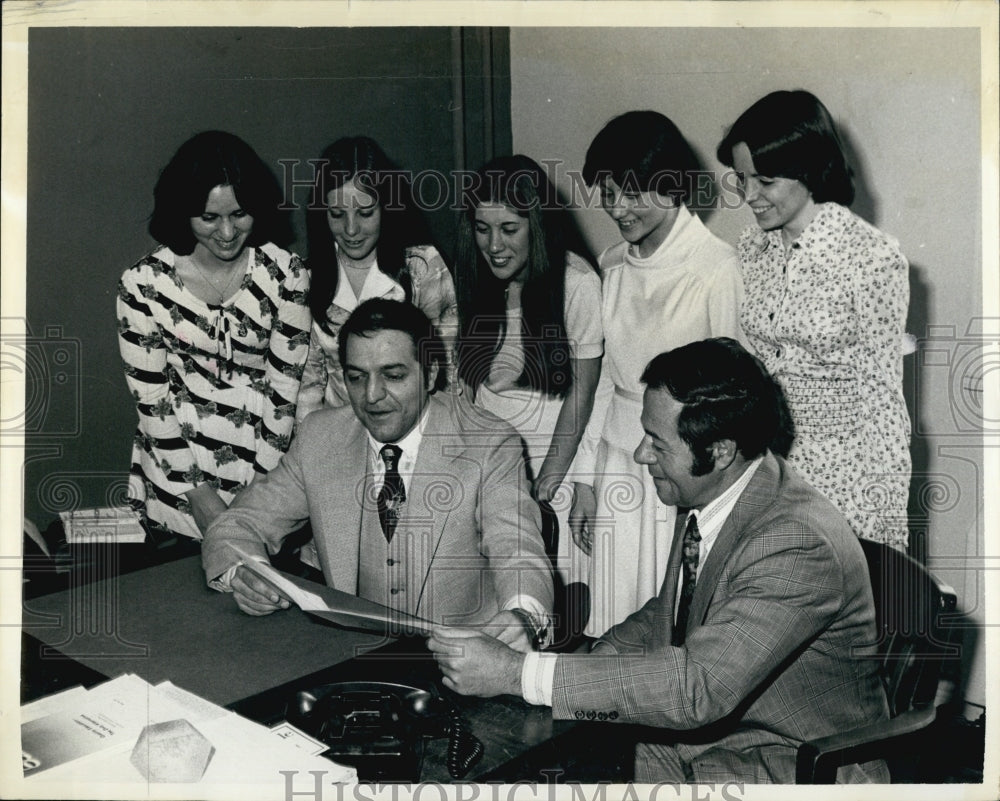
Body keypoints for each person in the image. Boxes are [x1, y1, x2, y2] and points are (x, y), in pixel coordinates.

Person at [429, 338, 890, 784]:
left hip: (782, 764)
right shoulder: (718, 491)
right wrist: (582, 663)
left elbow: (695, 689)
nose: (639, 454)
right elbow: (667, 612)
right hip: (703, 743)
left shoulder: (795, 544)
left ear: (720, 450)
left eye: (656, 441)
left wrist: (517, 673)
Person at [202, 299, 554, 645]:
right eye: (357, 377)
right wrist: (244, 574)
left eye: (393, 375)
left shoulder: (489, 442)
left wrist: (523, 616)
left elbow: (517, 548)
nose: (372, 396)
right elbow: (237, 525)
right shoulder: (320, 437)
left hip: (464, 659)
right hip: (350, 653)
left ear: (430, 374)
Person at [570, 111, 746, 635]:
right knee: (610, 620)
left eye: (633, 191)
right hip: (615, 464)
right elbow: (603, 380)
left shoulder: (717, 268)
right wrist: (584, 479)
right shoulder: (612, 264)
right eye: (608, 191)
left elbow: (734, 401)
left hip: (684, 472)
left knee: (670, 624)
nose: (618, 208)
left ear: (672, 186)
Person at [717, 89, 911, 550]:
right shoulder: (753, 248)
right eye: (742, 180)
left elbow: (882, 397)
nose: (749, 196)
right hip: (767, 468)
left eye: (764, 181)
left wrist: (887, 520)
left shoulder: (872, 257)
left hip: (844, 479)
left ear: (808, 170)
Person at [117, 130, 310, 542]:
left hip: (265, 470)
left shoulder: (287, 273)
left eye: (240, 214)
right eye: (209, 217)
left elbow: (283, 390)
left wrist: (259, 495)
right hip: (177, 479)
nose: (227, 232)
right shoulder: (141, 284)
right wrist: (200, 497)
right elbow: (151, 402)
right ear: (181, 211)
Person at [454, 154, 603, 581]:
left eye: (508, 229)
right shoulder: (477, 276)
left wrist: (550, 480)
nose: (493, 246)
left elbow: (584, 392)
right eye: (482, 229)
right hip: (488, 460)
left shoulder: (577, 283)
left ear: (535, 224)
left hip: (551, 456)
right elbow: (470, 387)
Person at [296, 136, 459, 422]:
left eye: (365, 213)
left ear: (387, 207)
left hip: (413, 427)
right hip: (340, 434)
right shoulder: (305, 278)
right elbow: (309, 387)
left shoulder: (422, 267)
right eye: (336, 214)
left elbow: (448, 370)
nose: (350, 230)